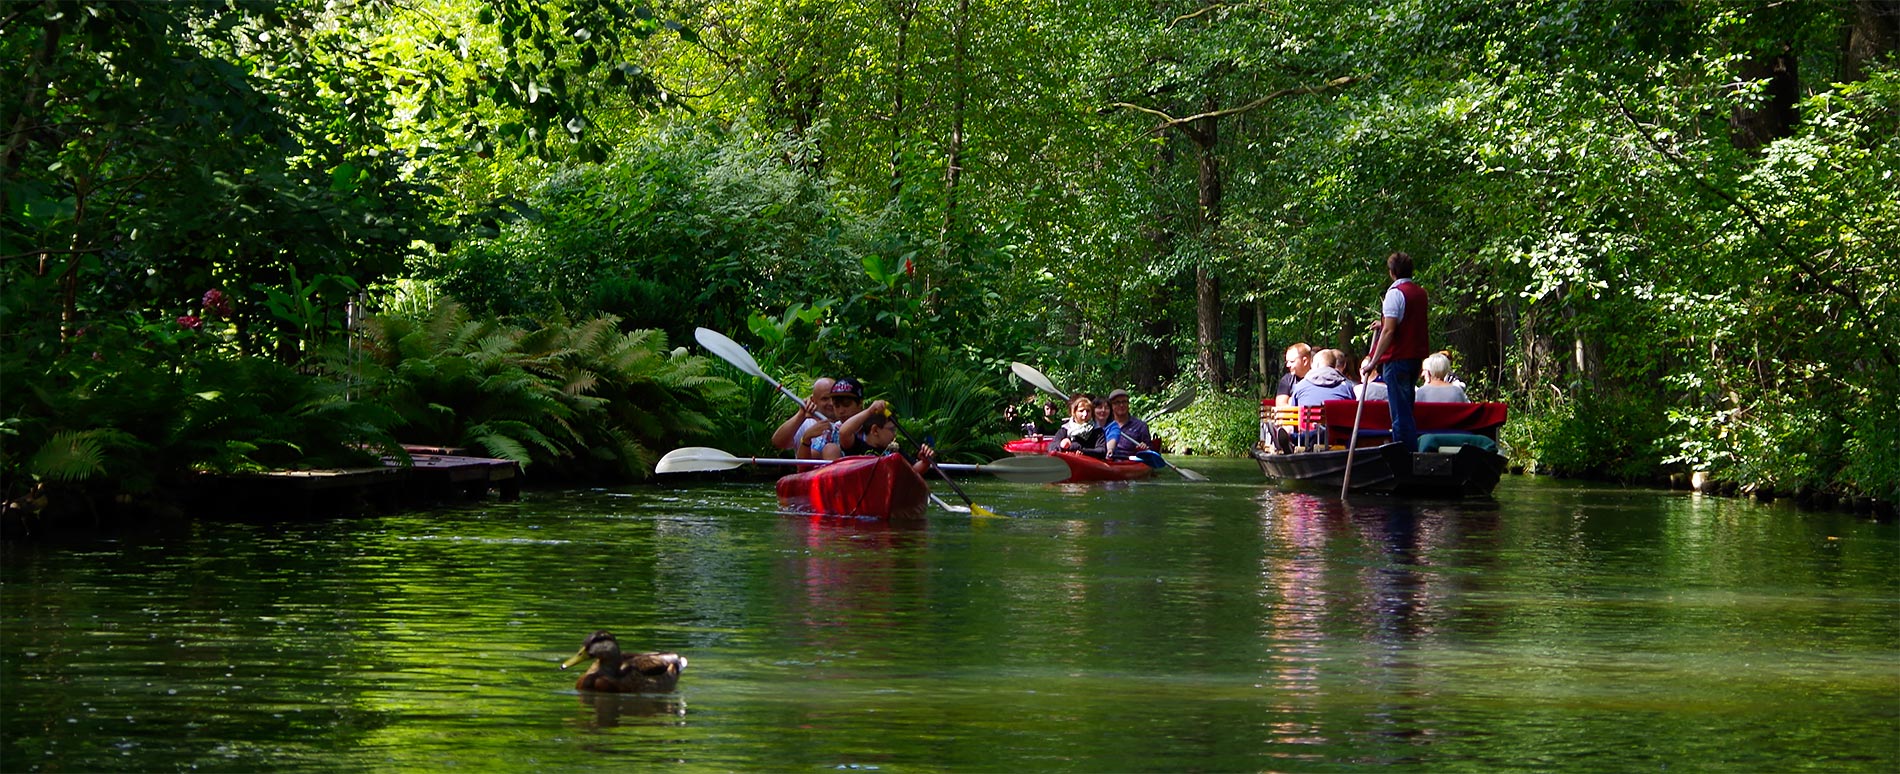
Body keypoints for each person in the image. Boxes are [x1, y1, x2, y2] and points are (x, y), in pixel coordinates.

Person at [1361, 251, 1430, 451]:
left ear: (1392, 272)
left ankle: (1405, 454)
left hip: (1398, 359)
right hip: (1415, 358)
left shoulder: (1395, 294)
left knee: (1400, 412)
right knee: (1407, 407)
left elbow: (1391, 330)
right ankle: (1409, 452)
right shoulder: (1420, 293)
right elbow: (1404, 322)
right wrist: (1382, 324)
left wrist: (1374, 361)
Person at [825, 398, 935, 475]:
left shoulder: (894, 451)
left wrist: (925, 461)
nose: (895, 434)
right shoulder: (856, 446)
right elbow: (844, 432)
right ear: (875, 430)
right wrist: (870, 410)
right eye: (891, 429)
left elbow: (914, 470)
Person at [798, 378, 865, 459]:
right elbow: (804, 467)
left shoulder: (875, 425)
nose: (841, 411)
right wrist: (806, 439)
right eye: (836, 405)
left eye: (846, 404)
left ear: (860, 403)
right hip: (841, 470)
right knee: (830, 449)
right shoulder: (831, 430)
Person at [772, 376, 834, 457]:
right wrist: (801, 415)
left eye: (834, 398)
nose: (831, 403)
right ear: (813, 400)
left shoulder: (847, 420)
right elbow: (778, 442)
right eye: (825, 399)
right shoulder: (804, 423)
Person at [1102, 389, 1152, 460]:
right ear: (1111, 405)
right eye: (1117, 402)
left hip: (1130, 461)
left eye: (1124, 402)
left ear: (1128, 404)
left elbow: (1150, 451)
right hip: (1107, 459)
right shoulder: (1105, 424)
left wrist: (1143, 448)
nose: (1121, 405)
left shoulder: (1141, 426)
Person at [1273, 343, 1313, 407]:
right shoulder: (1287, 380)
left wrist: (1291, 401)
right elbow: (1281, 407)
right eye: (1287, 362)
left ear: (1305, 361)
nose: (1287, 365)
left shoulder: (1318, 379)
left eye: (1292, 362)